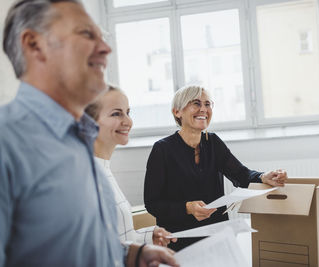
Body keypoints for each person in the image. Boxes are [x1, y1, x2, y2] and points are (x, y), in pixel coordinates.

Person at [0, 1, 178, 266]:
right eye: (86, 34)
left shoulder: (76, 140)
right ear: (34, 44)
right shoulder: (7, 143)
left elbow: (69, 243)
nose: (106, 49)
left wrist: (129, 254)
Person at [144, 85, 288, 251]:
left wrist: (263, 176)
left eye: (207, 104)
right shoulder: (162, 149)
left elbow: (241, 174)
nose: (204, 109)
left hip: (217, 234)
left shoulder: (213, 142)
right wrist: (187, 208)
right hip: (179, 239)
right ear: (177, 112)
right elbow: (152, 203)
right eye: (196, 103)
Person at [85, 85, 177, 247]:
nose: (128, 121)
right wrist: (139, 254)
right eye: (116, 114)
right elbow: (93, 249)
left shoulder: (103, 169)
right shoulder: (86, 177)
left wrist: (148, 236)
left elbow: (116, 237)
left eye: (128, 113)